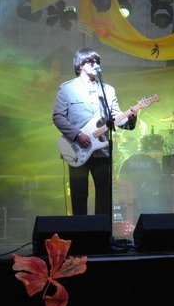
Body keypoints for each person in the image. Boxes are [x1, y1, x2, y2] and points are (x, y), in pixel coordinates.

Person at [53, 48, 137, 215]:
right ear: (80, 65)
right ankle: (80, 229)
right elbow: (58, 117)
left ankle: (102, 229)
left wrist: (131, 119)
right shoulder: (67, 89)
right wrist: (77, 135)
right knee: (79, 195)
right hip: (76, 149)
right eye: (90, 61)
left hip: (102, 151)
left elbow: (116, 117)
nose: (95, 64)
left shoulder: (108, 90)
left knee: (104, 195)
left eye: (97, 61)